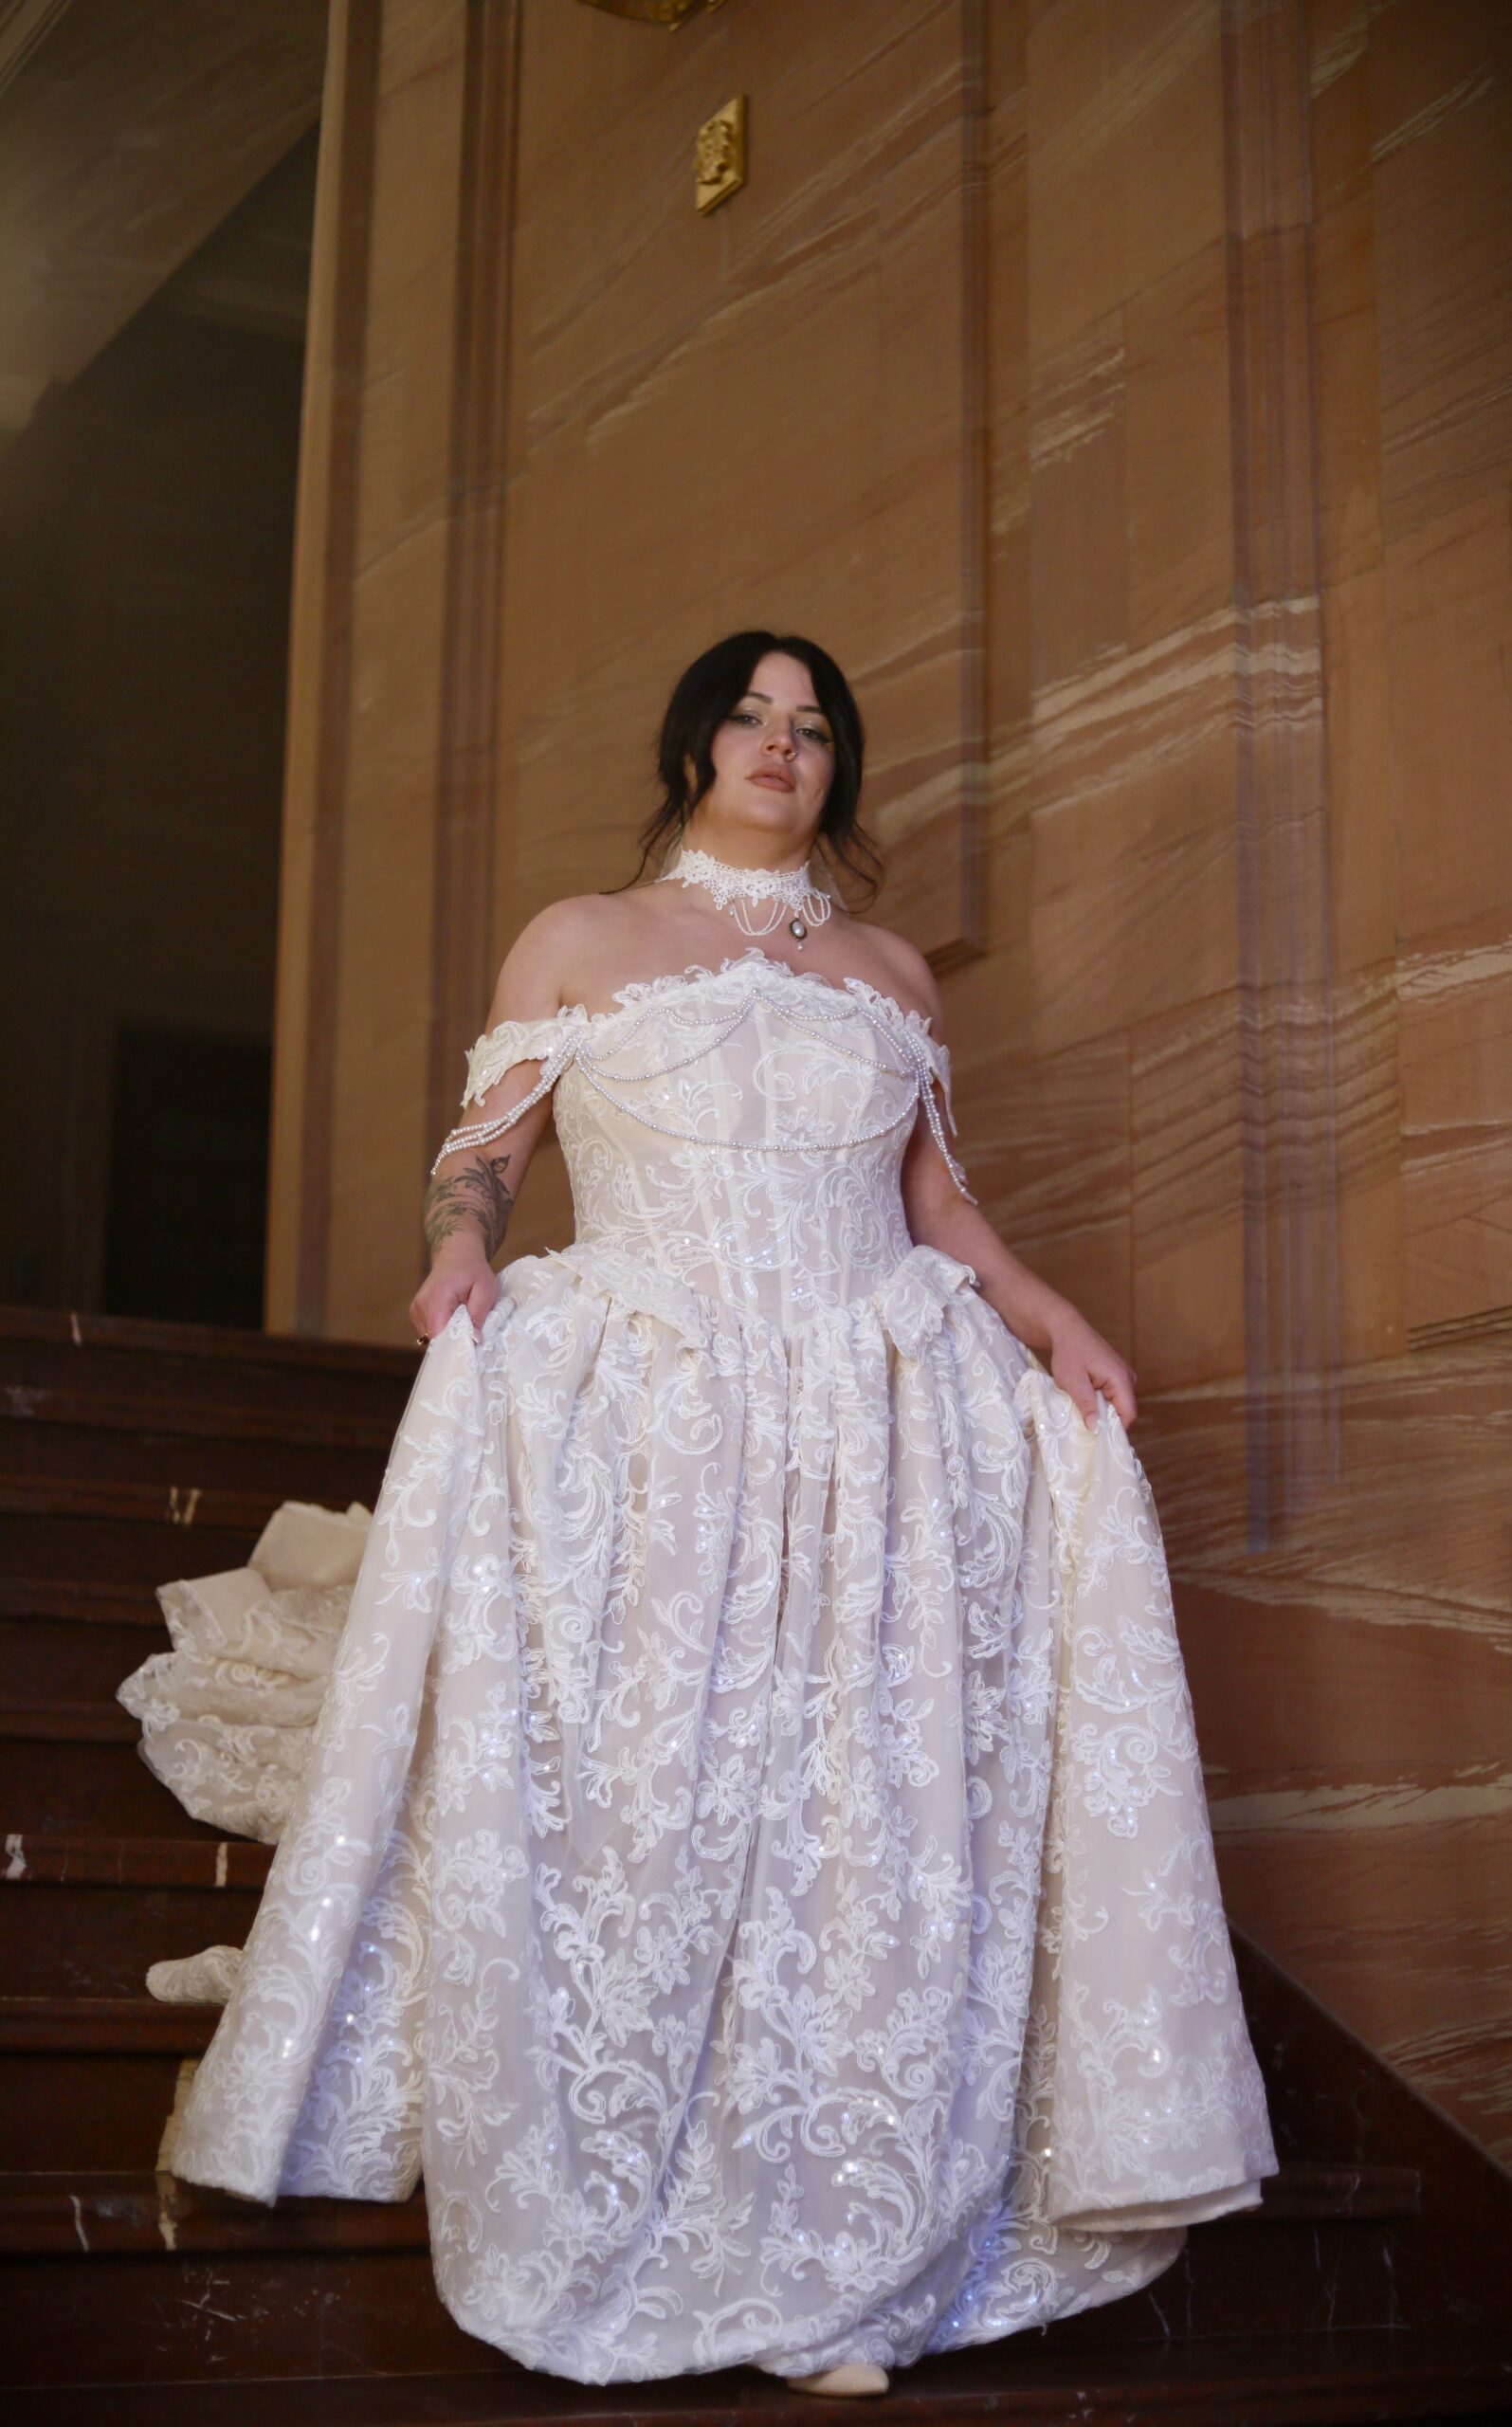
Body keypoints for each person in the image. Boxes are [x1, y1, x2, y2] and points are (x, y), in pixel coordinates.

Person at [127, 630, 1277, 2398]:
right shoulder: (581, 938)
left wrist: (1055, 1323)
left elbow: (938, 1207)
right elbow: (485, 1155)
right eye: (749, 715)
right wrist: (458, 1255)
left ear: (837, 768)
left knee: (852, 1816)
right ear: (695, 747)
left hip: (870, 1425)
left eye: (812, 727)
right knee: (660, 1792)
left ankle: (838, 2252)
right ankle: (636, 2188)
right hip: (655, 1411)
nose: (778, 745)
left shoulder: (891, 973)